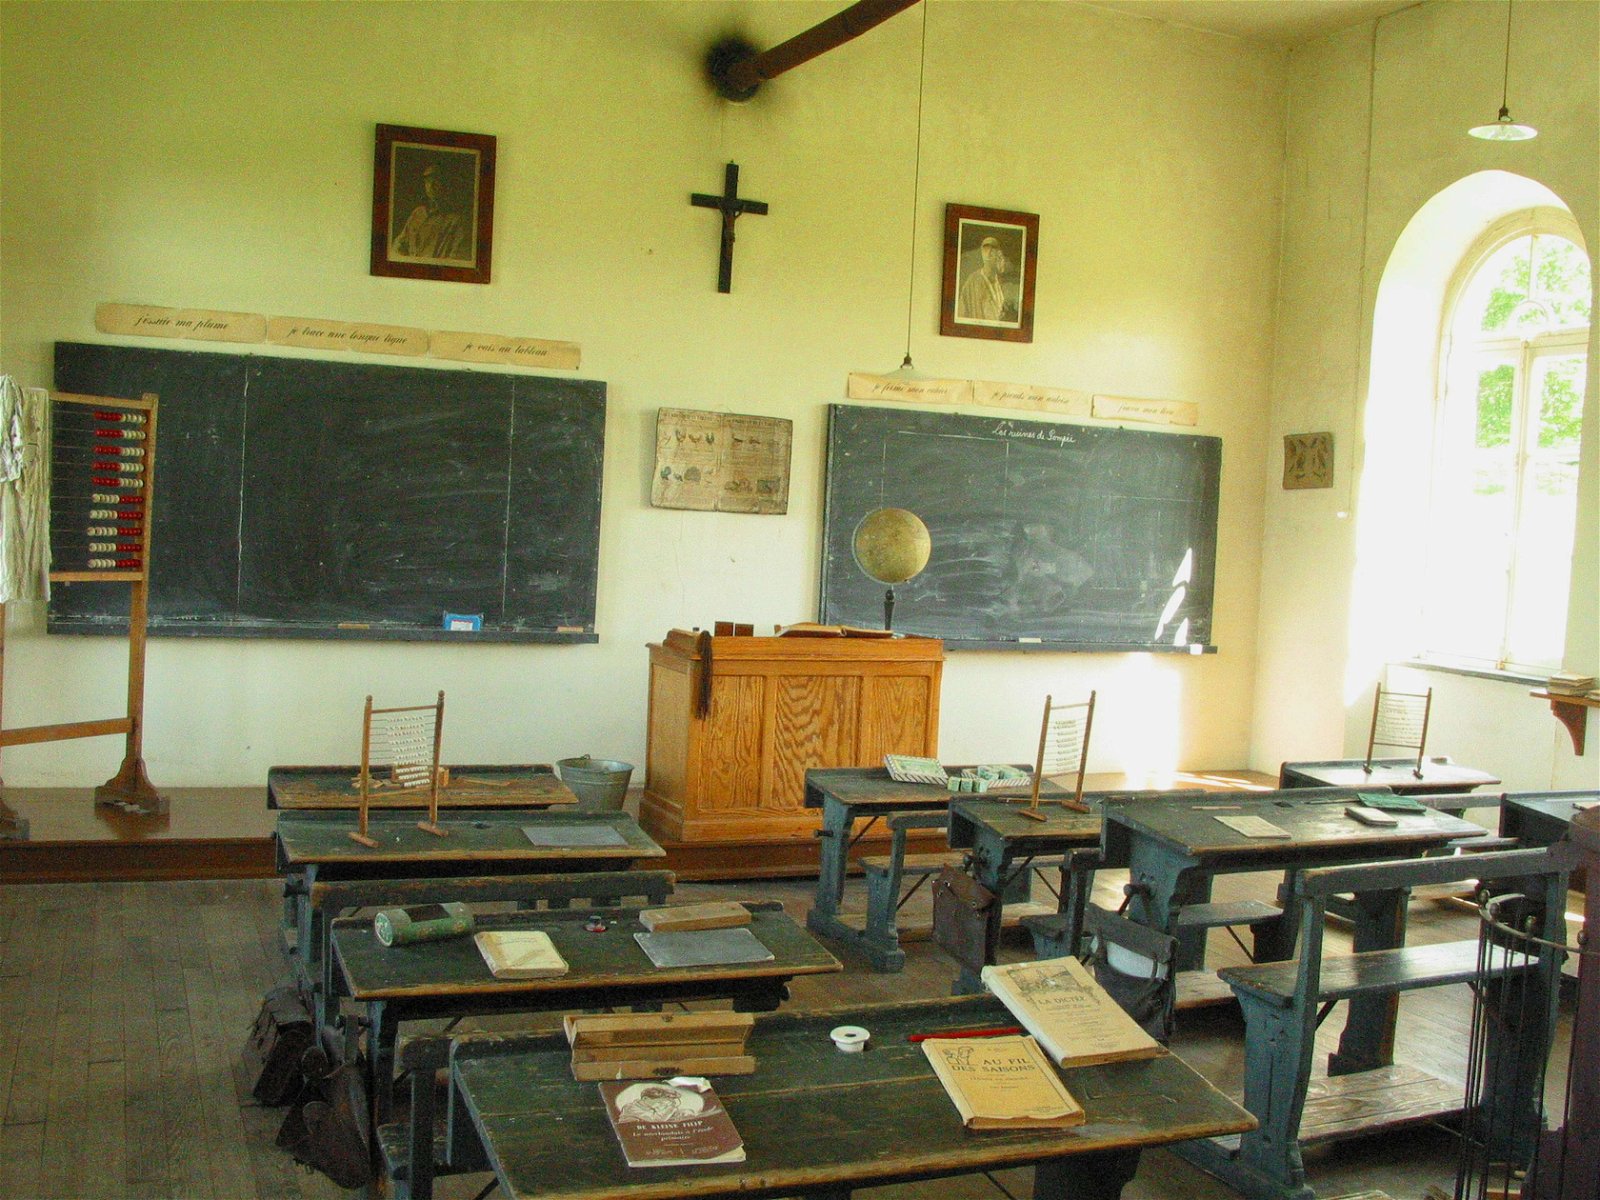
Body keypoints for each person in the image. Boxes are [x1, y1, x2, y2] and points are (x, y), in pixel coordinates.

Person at [390, 161, 470, 262]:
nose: (431, 185)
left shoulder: (456, 220)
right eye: (427, 181)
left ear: (446, 184)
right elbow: (399, 244)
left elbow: (458, 258)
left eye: (436, 180)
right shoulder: (417, 213)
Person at [957, 234, 1017, 322]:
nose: (1003, 261)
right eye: (999, 257)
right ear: (990, 257)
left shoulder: (999, 282)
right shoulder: (973, 281)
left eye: (1003, 257)